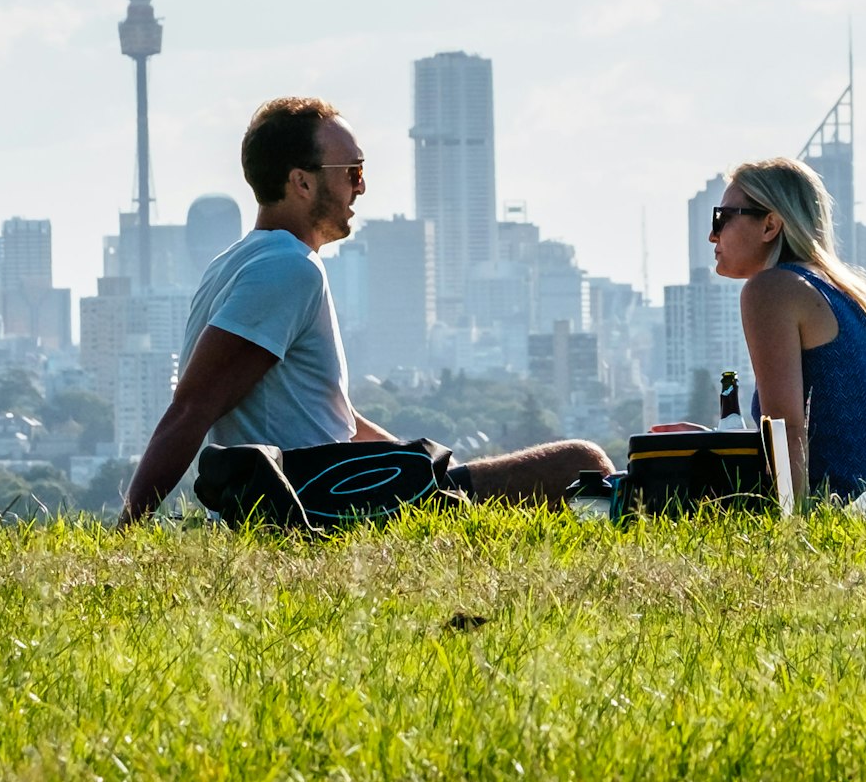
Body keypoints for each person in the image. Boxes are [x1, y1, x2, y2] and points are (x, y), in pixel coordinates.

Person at [120, 96, 612, 523]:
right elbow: (192, 407)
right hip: (328, 504)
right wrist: (128, 530)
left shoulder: (233, 264)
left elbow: (337, 422)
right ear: (302, 183)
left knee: (537, 478)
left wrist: (423, 470)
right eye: (352, 172)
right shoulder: (287, 269)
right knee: (581, 465)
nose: (361, 188)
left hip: (341, 488)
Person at [712, 155, 866, 500]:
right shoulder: (851, 293)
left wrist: (791, 532)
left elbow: (785, 429)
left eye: (722, 218)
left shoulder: (771, 289)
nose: (713, 235)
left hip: (848, 511)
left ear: (770, 225)